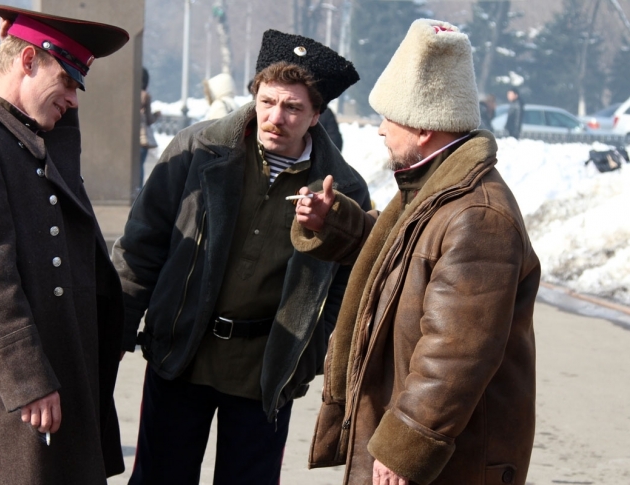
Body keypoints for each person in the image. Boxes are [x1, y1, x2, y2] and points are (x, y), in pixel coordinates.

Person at [112, 29, 370, 484]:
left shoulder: (343, 189)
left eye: (293, 107)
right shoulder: (198, 151)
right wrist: (114, 330)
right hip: (181, 352)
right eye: (268, 101)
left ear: (316, 116)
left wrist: (305, 358)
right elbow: (142, 245)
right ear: (254, 95)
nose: (276, 117)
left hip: (266, 372)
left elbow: (347, 288)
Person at [291, 19, 540, 485]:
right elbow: (397, 259)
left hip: (445, 462)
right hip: (413, 441)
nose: (381, 129)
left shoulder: (477, 215)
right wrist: (334, 221)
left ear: (424, 128)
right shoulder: (437, 189)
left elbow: (456, 353)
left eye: (389, 117)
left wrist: (409, 443)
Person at [0, 6, 129, 484]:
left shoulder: (28, 140)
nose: (73, 99)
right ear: (28, 61)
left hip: (63, 372)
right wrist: (28, 381)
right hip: (19, 395)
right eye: (67, 81)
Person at [139, 67, 160, 188]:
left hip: (130, 137)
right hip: (142, 138)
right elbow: (149, 120)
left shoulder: (130, 94)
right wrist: (157, 115)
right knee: (140, 165)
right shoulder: (145, 96)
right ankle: (138, 190)